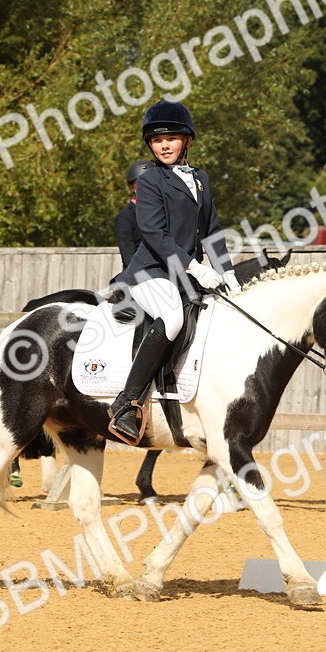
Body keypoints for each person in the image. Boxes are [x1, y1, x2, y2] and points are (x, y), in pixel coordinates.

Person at [108, 101, 238, 445]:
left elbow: (211, 230)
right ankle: (127, 402)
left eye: (171, 139)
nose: (164, 145)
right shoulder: (150, 181)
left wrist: (228, 273)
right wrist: (196, 266)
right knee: (173, 318)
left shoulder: (201, 179)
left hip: (184, 276)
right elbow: (154, 234)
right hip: (150, 273)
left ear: (188, 141)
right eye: (156, 140)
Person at [115, 160, 154, 268]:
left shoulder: (162, 213)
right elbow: (129, 258)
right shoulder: (125, 218)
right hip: (138, 277)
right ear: (132, 187)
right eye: (140, 184)